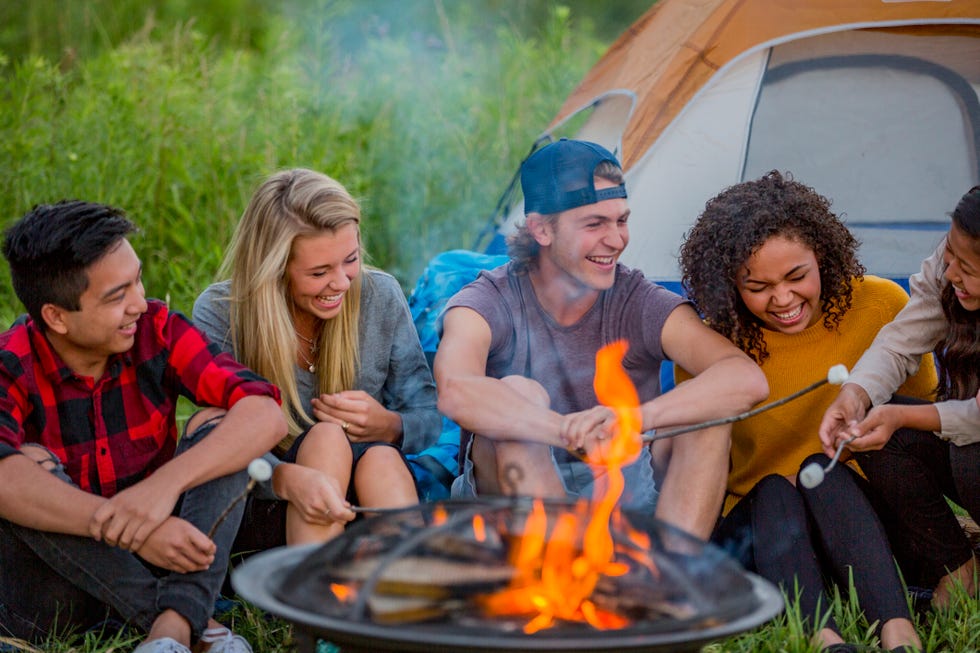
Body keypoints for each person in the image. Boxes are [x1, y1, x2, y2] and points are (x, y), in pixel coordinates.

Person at [434, 138, 769, 540]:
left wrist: (631, 420)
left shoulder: (637, 298)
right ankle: (565, 580)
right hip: (513, 499)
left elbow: (744, 378)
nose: (616, 240)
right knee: (517, 393)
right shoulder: (487, 300)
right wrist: (563, 430)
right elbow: (456, 390)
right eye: (595, 224)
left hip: (623, 486)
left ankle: (669, 583)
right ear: (541, 228)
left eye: (621, 220)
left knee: (707, 415)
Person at [0, 201, 286, 653]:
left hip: (165, 556)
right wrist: (128, 525)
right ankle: (190, 619)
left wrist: (163, 488)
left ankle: (170, 630)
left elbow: (264, 411)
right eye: (117, 296)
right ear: (56, 316)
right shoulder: (11, 361)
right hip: (58, 589)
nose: (139, 302)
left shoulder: (156, 329)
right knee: (25, 468)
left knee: (223, 426)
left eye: (137, 280)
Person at [678, 171, 933, 652]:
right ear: (730, 283)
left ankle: (898, 632)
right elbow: (701, 465)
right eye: (758, 286)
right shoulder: (708, 344)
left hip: (857, 518)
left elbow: (918, 417)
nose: (783, 299)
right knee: (776, 488)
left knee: (820, 469)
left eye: (797, 276)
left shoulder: (881, 306)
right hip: (762, 528)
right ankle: (824, 639)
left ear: (823, 255)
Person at [193, 168, 438, 547]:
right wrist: (287, 480)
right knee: (325, 438)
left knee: (381, 460)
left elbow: (430, 414)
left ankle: (406, 588)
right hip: (274, 501)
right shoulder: (222, 314)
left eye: (351, 260)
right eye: (320, 272)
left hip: (363, 507)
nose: (342, 282)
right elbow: (215, 435)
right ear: (274, 270)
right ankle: (312, 594)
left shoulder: (380, 296)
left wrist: (390, 425)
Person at [820, 185, 980, 610]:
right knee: (874, 430)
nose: (951, 275)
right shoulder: (948, 275)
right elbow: (899, 344)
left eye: (968, 267)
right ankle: (958, 566)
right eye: (950, 256)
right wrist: (856, 394)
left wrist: (905, 416)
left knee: (970, 450)